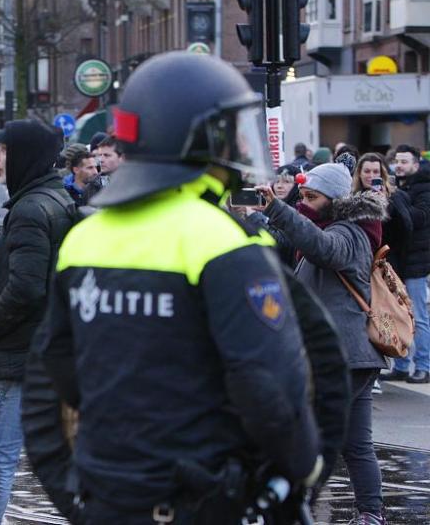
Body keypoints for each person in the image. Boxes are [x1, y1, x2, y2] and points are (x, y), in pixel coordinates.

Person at [38, 52, 323, 524]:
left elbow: (58, 356)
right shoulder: (222, 242)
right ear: (200, 139)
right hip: (197, 492)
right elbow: (265, 384)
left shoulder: (86, 236)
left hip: (106, 485)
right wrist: (304, 462)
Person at [260, 162, 387, 523]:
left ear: (334, 198)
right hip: (351, 354)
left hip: (344, 355)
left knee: (312, 437)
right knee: (356, 444)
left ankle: (298, 509)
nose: (305, 203)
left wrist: (277, 208)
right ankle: (370, 514)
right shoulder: (338, 226)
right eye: (302, 196)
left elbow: (323, 248)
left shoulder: (351, 231)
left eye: (312, 197)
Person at [0, 120, 76, 524]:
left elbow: (26, 288)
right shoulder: (52, 198)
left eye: (4, 151)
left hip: (17, 352)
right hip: (42, 347)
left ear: (25, 157)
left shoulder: (30, 210)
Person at [383, 145, 430, 384]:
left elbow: (420, 218)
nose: (398, 165)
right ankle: (401, 364)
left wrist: (397, 201)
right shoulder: (397, 187)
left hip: (416, 261)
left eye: (404, 161)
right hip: (396, 260)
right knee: (398, 314)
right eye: (396, 161)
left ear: (416, 163)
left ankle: (423, 365)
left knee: (418, 316)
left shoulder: (423, 187)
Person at [61, 143, 101, 208]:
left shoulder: (100, 191)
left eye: (95, 167)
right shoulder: (62, 190)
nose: (96, 172)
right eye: (90, 168)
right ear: (76, 170)